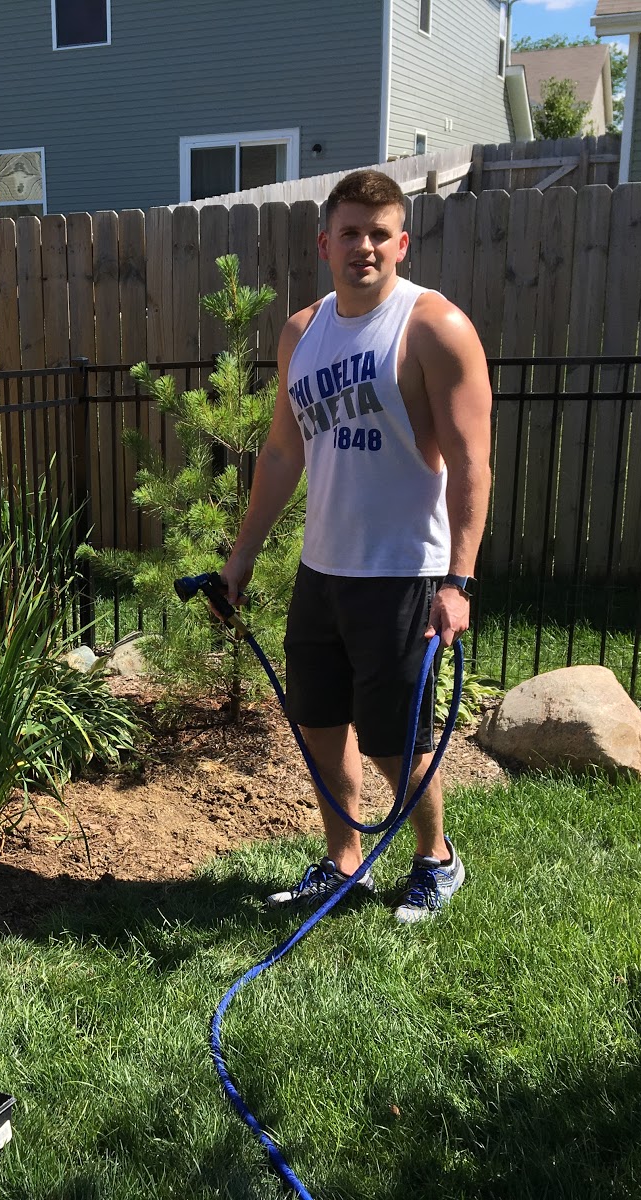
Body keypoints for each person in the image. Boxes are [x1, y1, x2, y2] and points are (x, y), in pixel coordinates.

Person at [218, 169, 492, 923]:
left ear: (401, 243)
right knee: (318, 723)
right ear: (325, 243)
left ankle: (436, 860)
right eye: (350, 233)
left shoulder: (434, 328)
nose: (364, 247)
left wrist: (458, 581)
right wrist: (242, 554)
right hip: (322, 571)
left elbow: (473, 463)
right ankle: (345, 864)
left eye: (379, 234)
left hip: (402, 573)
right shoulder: (302, 334)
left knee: (395, 741)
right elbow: (281, 454)